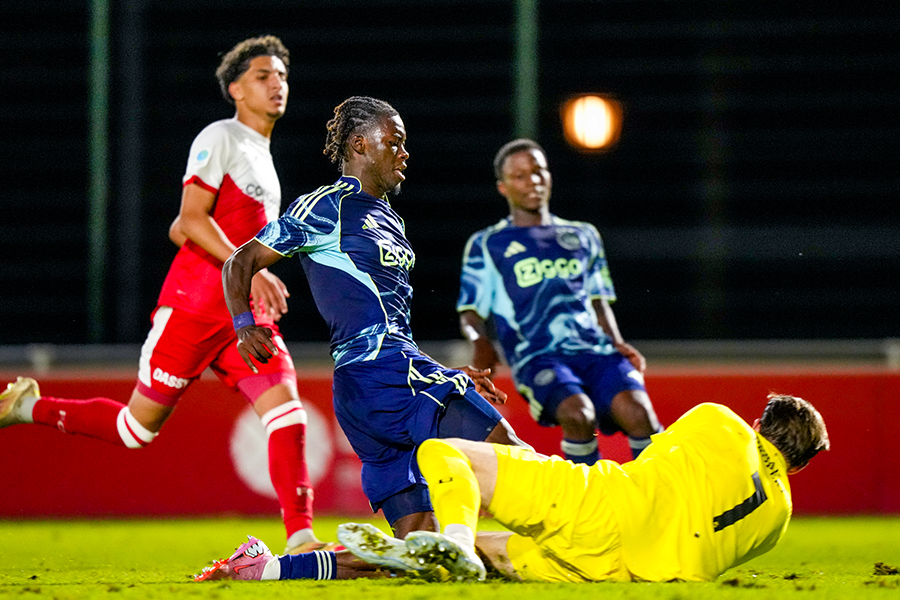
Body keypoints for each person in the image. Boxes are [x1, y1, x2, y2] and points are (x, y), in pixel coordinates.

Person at [0, 36, 328, 553]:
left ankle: (301, 536)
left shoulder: (262, 154)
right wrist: (251, 267)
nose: (276, 84)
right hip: (194, 308)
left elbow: (187, 230)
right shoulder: (222, 135)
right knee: (135, 430)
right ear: (236, 89)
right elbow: (188, 220)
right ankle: (29, 407)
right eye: (264, 76)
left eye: (282, 76)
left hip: (243, 315)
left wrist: (251, 271)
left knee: (287, 411)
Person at [221, 96, 529, 541]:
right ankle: (586, 541)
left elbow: (392, 322)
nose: (404, 153)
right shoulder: (328, 206)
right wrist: (243, 323)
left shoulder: (390, 219)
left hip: (385, 378)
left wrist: (440, 373)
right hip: (375, 374)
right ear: (361, 144)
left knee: (420, 544)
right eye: (395, 142)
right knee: (510, 451)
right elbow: (239, 261)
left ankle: (270, 571)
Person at [194, 393, 829, 584]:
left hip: (598, 508)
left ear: (761, 422)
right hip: (614, 575)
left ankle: (460, 541)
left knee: (443, 455)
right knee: (417, 562)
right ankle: (275, 571)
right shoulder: (780, 518)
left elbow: (658, 455)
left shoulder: (721, 421)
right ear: (798, 464)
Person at [457, 138, 663, 464]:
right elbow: (470, 311)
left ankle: (660, 503)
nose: (533, 181)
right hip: (538, 357)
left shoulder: (583, 236)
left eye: (538, 171)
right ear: (503, 187)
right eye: (520, 175)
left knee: (640, 414)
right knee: (577, 414)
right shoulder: (488, 244)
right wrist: (480, 341)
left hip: (595, 351)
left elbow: (597, 301)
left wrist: (617, 341)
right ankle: (587, 507)